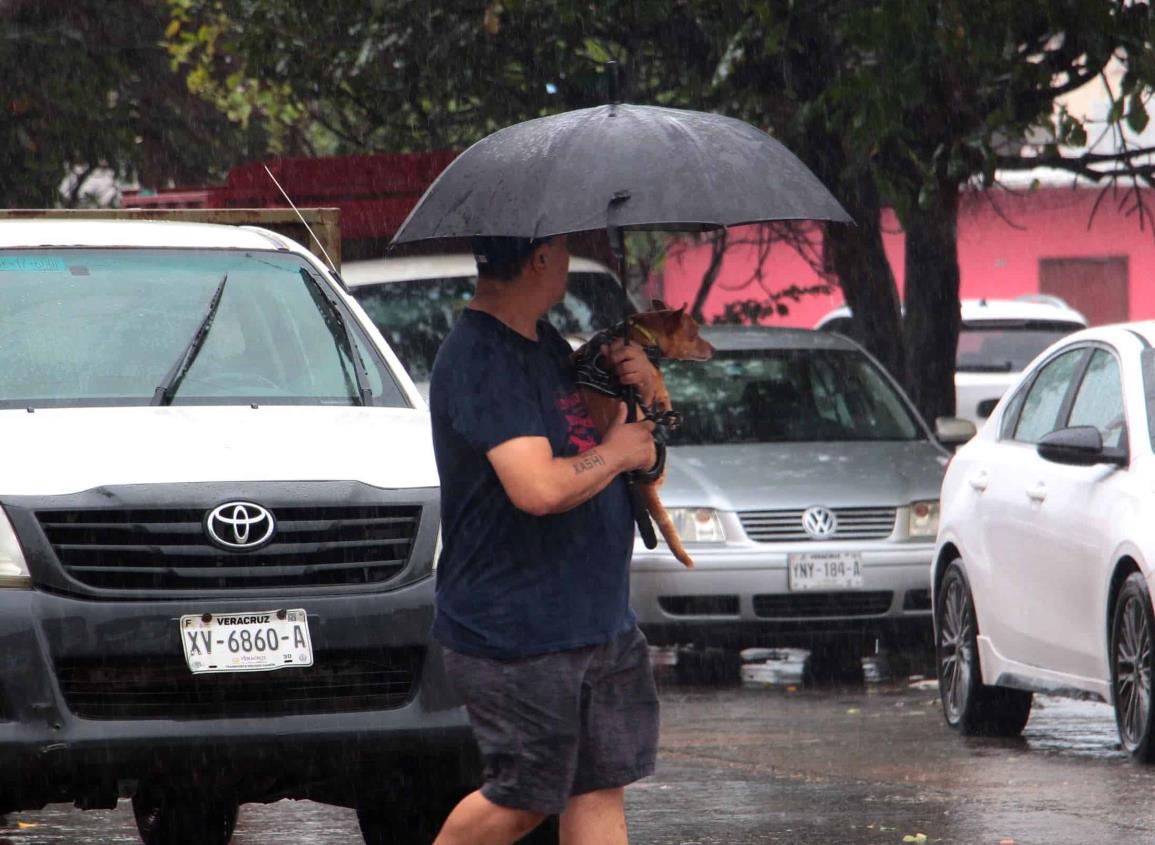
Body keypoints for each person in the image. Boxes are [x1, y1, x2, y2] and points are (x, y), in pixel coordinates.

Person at [428, 233, 661, 845]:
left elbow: (599, 443)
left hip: (596, 619)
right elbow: (537, 487)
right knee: (525, 795)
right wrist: (616, 453)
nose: (566, 260)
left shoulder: (546, 344)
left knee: (598, 785)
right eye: (558, 248)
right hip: (519, 631)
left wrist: (624, 387)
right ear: (538, 259)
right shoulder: (482, 358)